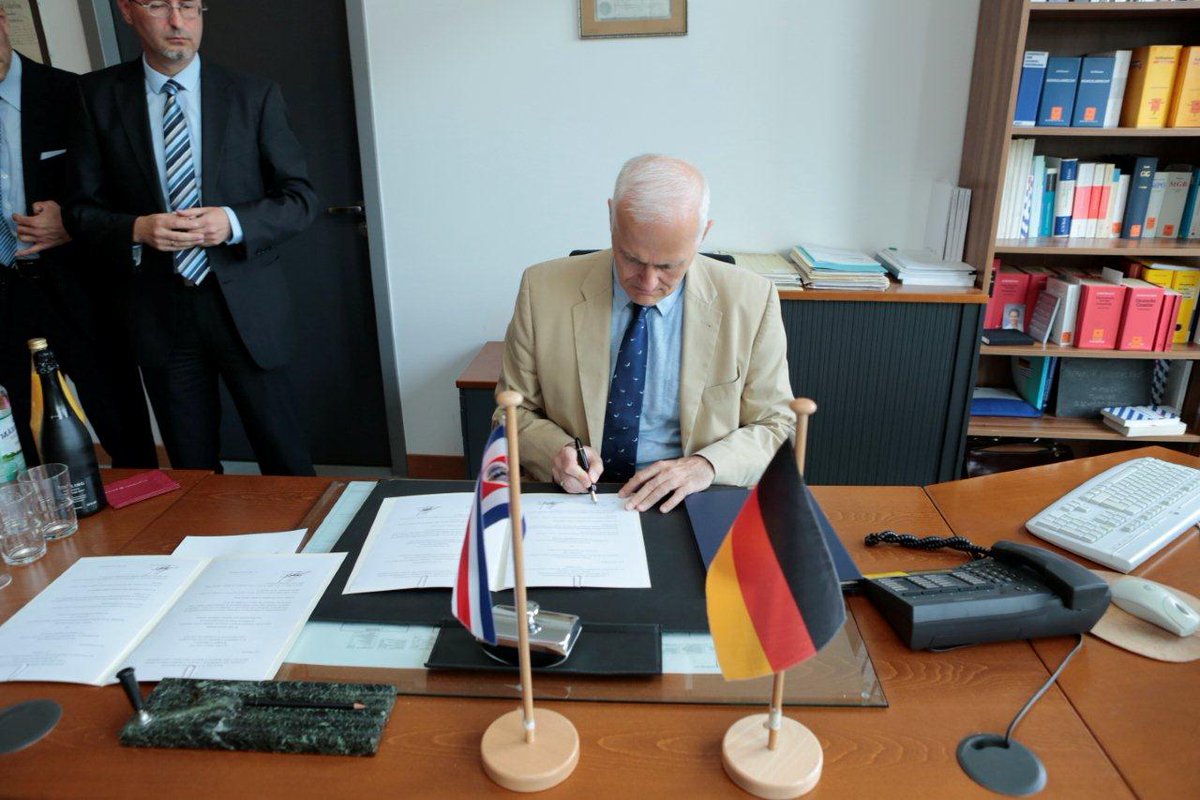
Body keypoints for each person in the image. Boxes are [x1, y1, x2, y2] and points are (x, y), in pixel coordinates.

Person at [67, 0, 319, 475]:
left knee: (285, 456)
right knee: (191, 466)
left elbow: (300, 199)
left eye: (188, 6)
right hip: (159, 311)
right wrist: (136, 228)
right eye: (159, 6)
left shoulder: (253, 94)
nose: (177, 21)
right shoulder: (94, 96)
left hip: (248, 309)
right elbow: (78, 212)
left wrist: (233, 221)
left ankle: (310, 528)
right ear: (127, 11)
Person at [495, 154, 794, 512]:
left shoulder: (751, 300)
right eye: (632, 259)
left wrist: (706, 466)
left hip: (694, 494)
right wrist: (555, 453)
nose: (648, 283)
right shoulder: (542, 289)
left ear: (703, 234)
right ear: (611, 217)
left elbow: (776, 425)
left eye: (669, 266)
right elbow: (511, 412)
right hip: (578, 495)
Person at [0, 7, 157, 469]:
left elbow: (127, 191)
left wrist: (70, 222)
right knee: (20, 440)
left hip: (79, 286)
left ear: (3, 20)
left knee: (121, 426)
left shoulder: (74, 94)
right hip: (5, 293)